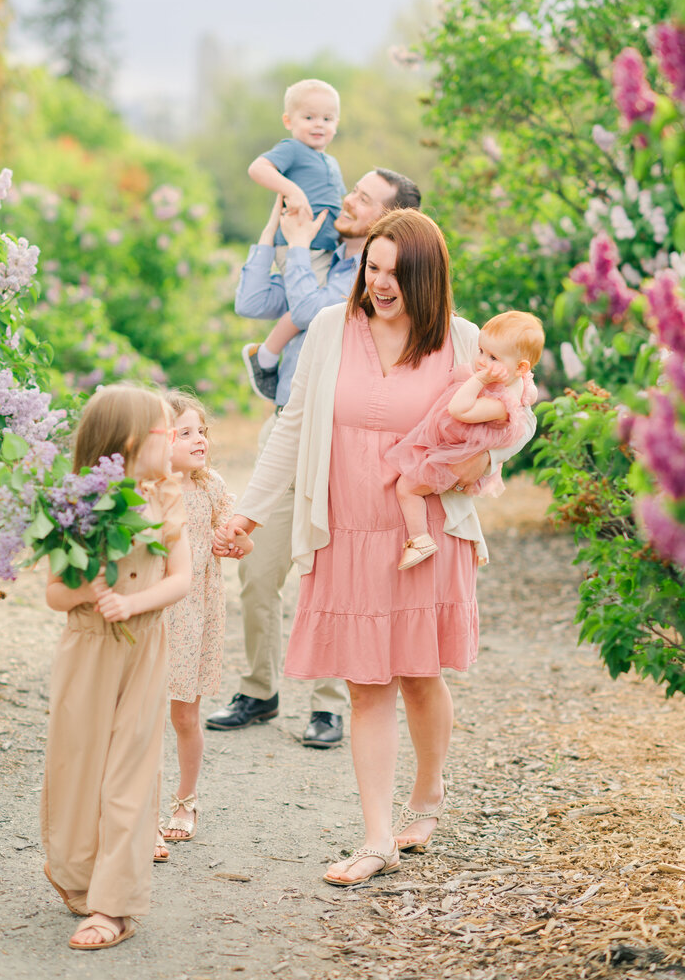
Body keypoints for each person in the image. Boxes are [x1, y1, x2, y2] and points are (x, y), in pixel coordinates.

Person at [215, 209, 535, 886]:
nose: (379, 283)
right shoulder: (332, 328)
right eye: (373, 268)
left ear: (427, 277)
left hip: (423, 535)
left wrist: (484, 466)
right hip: (348, 534)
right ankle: (377, 836)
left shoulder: (461, 340)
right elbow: (292, 427)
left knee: (420, 675)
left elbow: (518, 418)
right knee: (366, 685)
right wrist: (248, 513)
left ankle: (428, 797)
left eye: (395, 272)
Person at [206, 169, 423, 749]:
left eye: (364, 197)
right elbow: (252, 299)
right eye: (352, 188)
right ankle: (259, 689)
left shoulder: (373, 284)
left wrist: (298, 250)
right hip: (286, 429)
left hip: (345, 445)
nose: (347, 197)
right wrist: (275, 233)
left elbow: (310, 308)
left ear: (390, 221)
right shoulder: (323, 257)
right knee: (258, 569)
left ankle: (329, 705)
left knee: (329, 570)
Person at [41, 384, 191, 949]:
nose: (174, 438)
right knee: (77, 763)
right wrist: (86, 590)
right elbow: (55, 592)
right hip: (86, 648)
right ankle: (80, 878)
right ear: (130, 442)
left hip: (143, 645)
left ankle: (115, 904)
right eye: (165, 430)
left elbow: (181, 577)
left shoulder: (167, 498)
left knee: (131, 767)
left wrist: (131, 603)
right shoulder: (74, 505)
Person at [161, 391, 252, 846]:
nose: (199, 440)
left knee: (184, 716)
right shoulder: (146, 490)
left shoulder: (209, 486)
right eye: (186, 433)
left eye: (202, 431)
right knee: (135, 715)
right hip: (152, 613)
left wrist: (232, 542)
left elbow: (240, 541)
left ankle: (185, 798)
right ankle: (133, 809)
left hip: (194, 614)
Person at [388, 310, 544, 569]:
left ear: (521, 367)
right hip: (455, 447)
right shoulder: (518, 382)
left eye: (492, 357)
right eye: (481, 350)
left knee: (406, 487)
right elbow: (531, 391)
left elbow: (458, 409)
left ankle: (419, 538)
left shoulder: (501, 404)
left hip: (456, 455)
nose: (481, 360)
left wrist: (479, 379)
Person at [243, 78, 344, 401]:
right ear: (289, 121)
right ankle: (267, 354)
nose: (319, 125)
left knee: (322, 306)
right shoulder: (292, 150)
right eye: (309, 117)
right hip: (300, 245)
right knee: (307, 307)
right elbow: (258, 169)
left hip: (326, 249)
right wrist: (292, 189)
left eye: (327, 119)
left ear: (336, 124)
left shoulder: (331, 162)